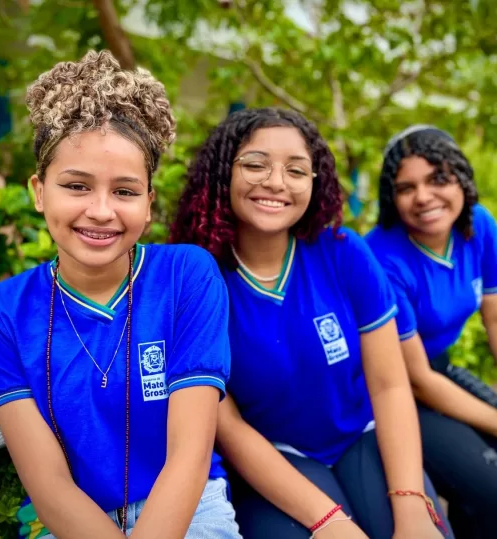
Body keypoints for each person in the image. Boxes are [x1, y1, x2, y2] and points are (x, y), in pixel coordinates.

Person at [0, 50, 241, 539]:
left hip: (190, 509)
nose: (100, 211)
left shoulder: (186, 276)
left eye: (124, 191)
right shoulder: (0, 315)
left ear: (149, 202)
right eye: (76, 185)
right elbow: (50, 486)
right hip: (69, 523)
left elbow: (188, 455)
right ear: (38, 191)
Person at [169, 107, 452, 539]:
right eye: (255, 164)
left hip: (361, 436)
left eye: (296, 170)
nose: (276, 182)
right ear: (223, 173)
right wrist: (329, 521)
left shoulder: (343, 252)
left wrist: (411, 505)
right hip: (273, 456)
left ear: (314, 183)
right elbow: (228, 427)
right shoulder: (198, 281)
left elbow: (390, 385)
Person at [365, 125, 497, 539]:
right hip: (384, 392)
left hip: (436, 371)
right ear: (392, 197)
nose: (424, 196)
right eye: (407, 187)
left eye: (438, 178)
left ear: (462, 178)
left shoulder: (478, 226)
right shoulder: (381, 257)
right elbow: (417, 380)